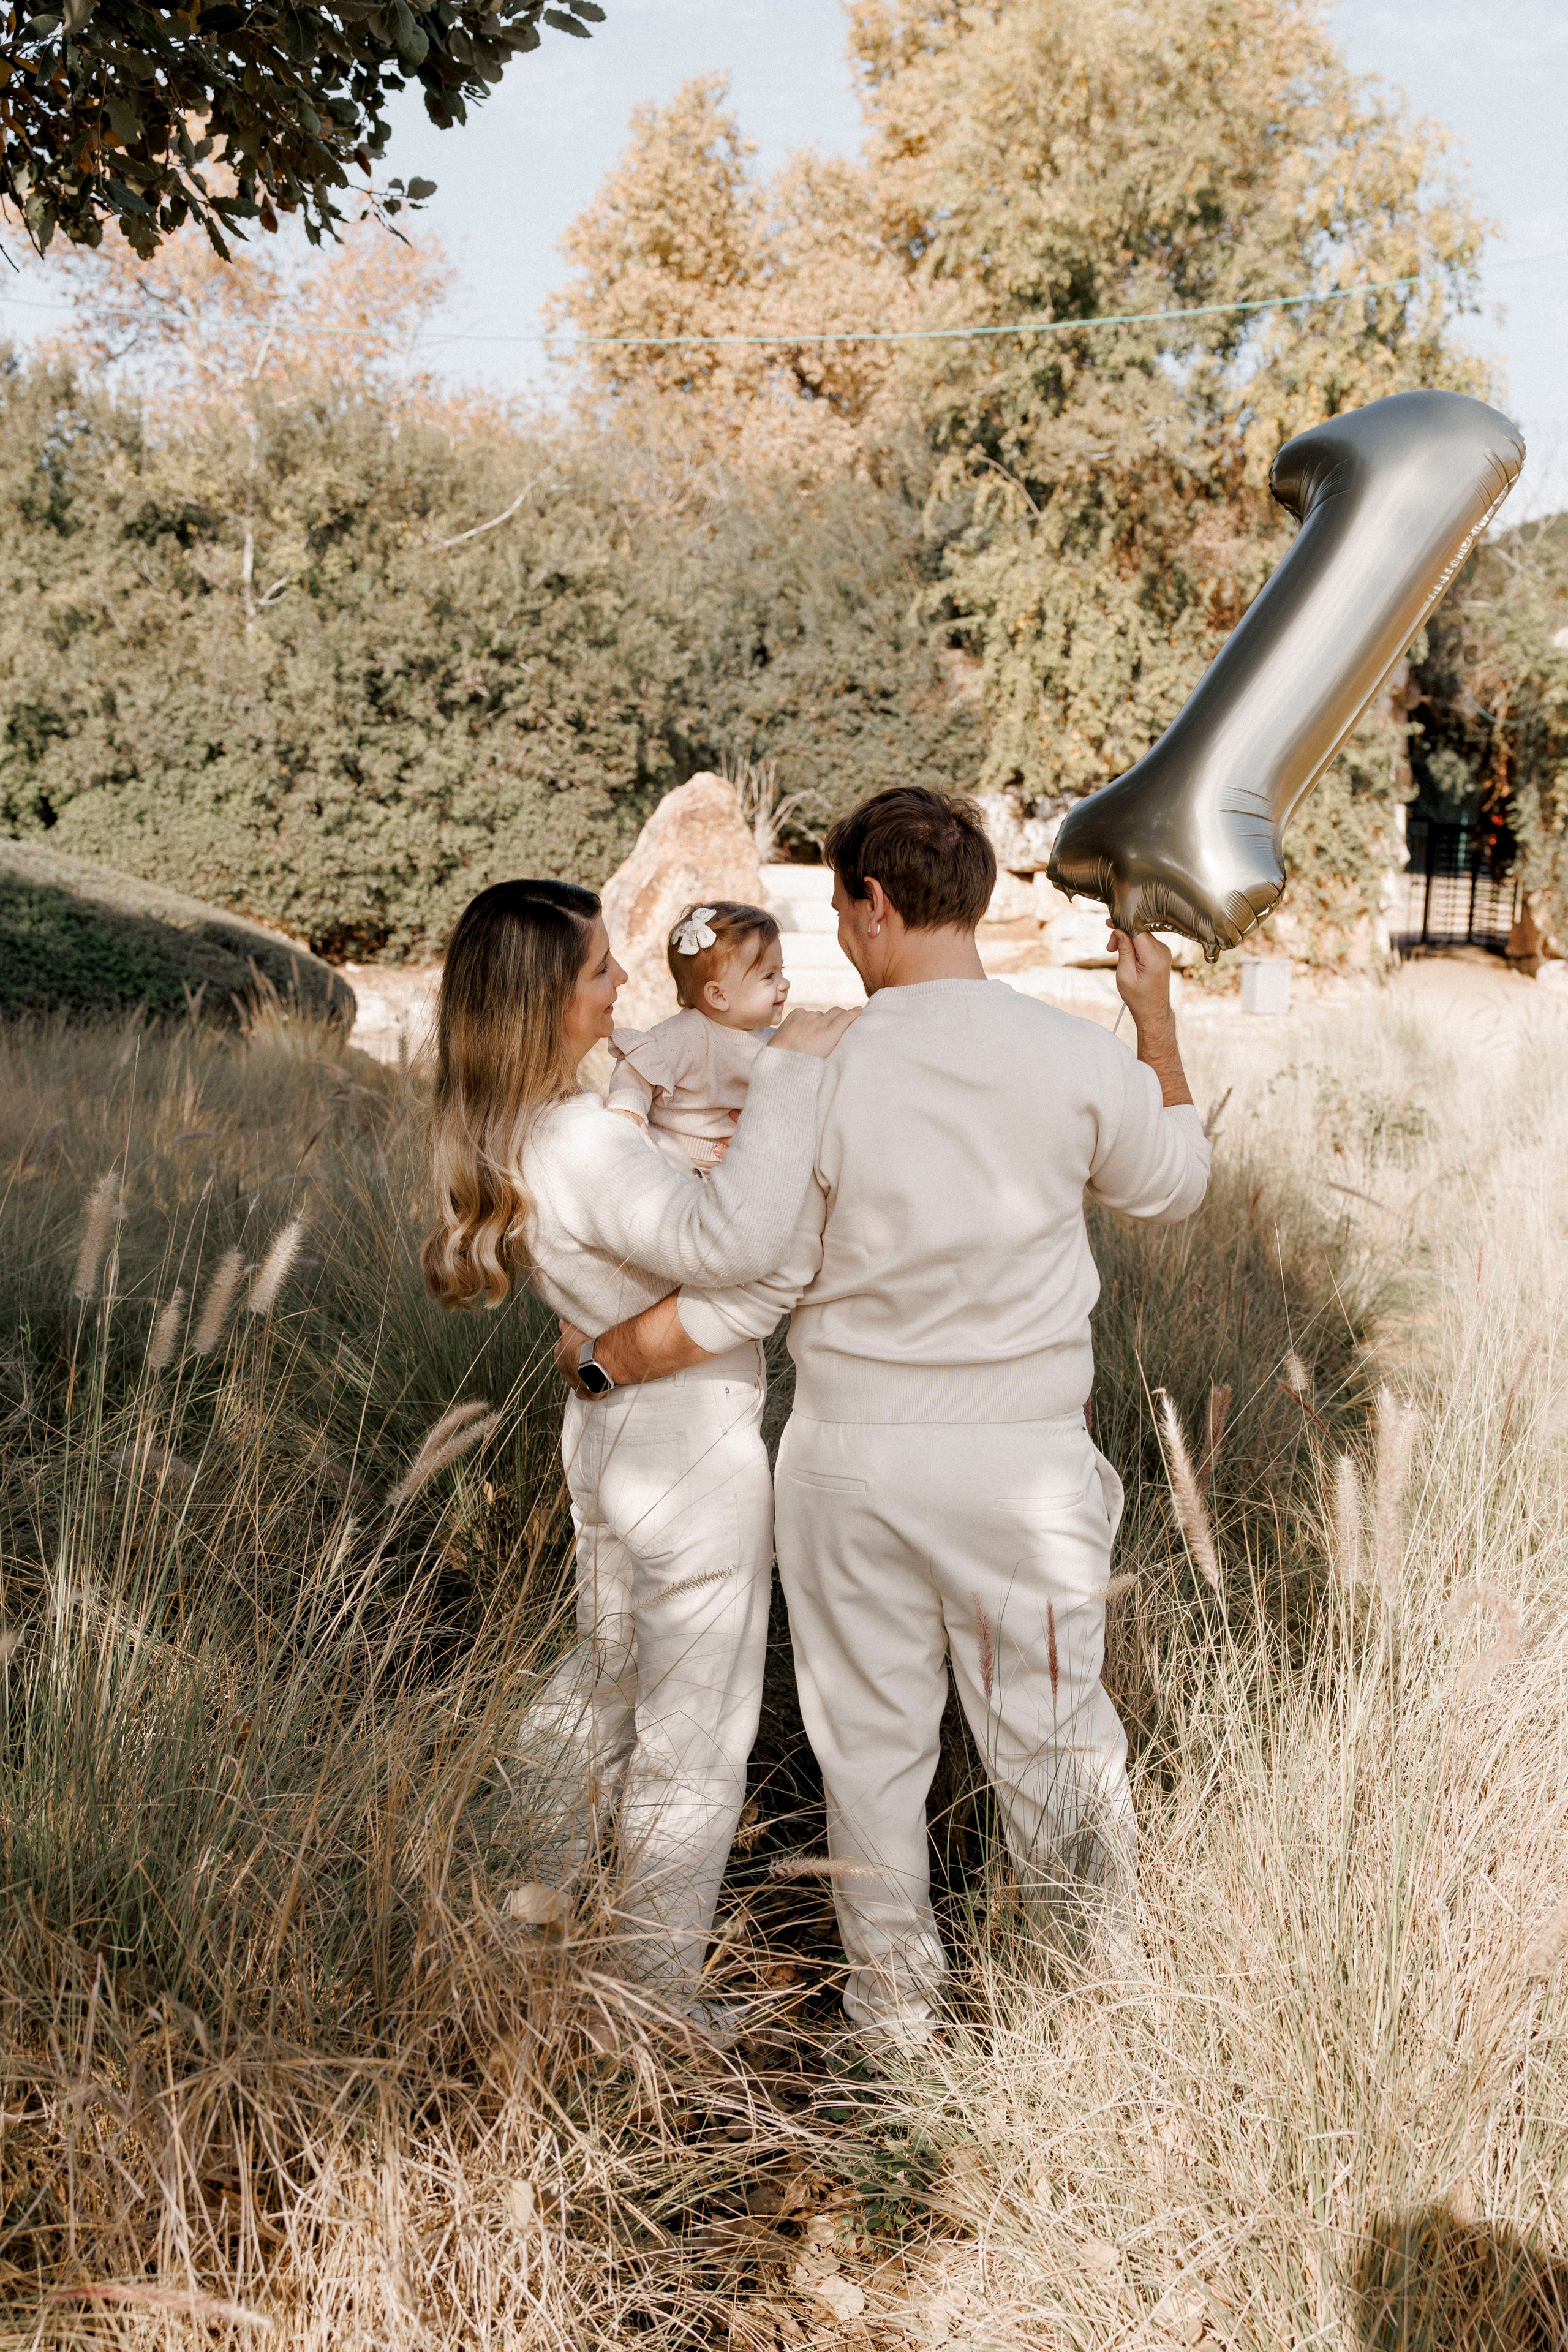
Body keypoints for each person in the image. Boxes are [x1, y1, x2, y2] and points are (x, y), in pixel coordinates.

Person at [557, 789, 1211, 2051]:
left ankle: (891, 2030)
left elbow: (750, 1277)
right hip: (1020, 1460)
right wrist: (1154, 1023)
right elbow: (1175, 1183)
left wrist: (605, 1362)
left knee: (867, 1759)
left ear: (869, 900)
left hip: (847, 1459)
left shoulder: (810, 1071)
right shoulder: (1077, 1055)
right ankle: (1095, 2028)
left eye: (841, 907)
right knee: (1058, 1750)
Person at [420, 877, 856, 2026]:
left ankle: (527, 1906)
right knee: (694, 1730)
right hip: (688, 1449)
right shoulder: (581, 1144)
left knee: (604, 1677)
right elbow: (741, 1248)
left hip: (608, 1438)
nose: (623, 987)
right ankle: (655, 1999)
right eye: (602, 970)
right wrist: (795, 1079)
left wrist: (609, 1352)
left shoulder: (539, 1124)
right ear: (545, 1002)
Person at [607, 901, 790, 1175]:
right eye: (769, 976)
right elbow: (636, 1070)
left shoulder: (774, 1042)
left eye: (782, 972)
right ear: (719, 996)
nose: (784, 983)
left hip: (735, 1167)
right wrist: (629, 1110)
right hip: (672, 1159)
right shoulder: (688, 1034)